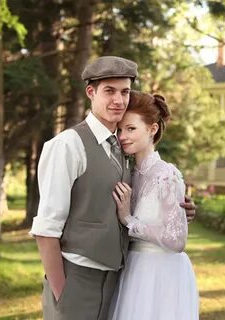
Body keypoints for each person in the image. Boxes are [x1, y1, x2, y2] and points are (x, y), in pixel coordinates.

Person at [29, 56, 196, 320]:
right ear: (91, 92)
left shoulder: (122, 149)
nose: (118, 100)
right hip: (78, 279)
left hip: (119, 282)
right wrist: (63, 292)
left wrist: (177, 209)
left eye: (125, 91)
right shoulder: (67, 145)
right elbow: (46, 230)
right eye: (109, 91)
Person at [110, 91, 199, 320]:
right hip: (132, 269)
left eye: (131, 128)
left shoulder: (167, 175)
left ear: (152, 129)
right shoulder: (127, 172)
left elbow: (177, 240)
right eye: (120, 129)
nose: (122, 136)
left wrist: (128, 220)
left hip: (161, 274)